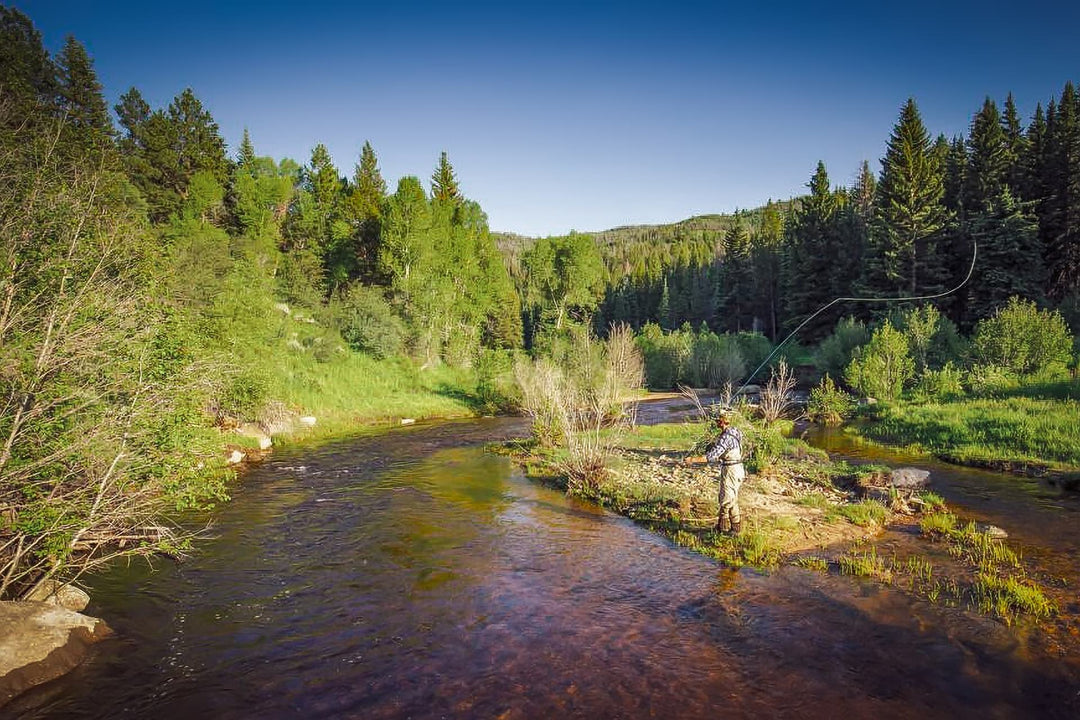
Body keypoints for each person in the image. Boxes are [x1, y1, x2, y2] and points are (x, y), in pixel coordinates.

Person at [704, 411, 745, 534]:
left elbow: (711, 456)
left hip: (730, 470)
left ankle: (722, 529)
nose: (716, 422)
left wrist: (692, 460)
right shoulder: (736, 431)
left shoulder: (725, 438)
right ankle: (736, 529)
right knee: (733, 499)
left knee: (726, 500)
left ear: (721, 422)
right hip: (739, 468)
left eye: (717, 420)